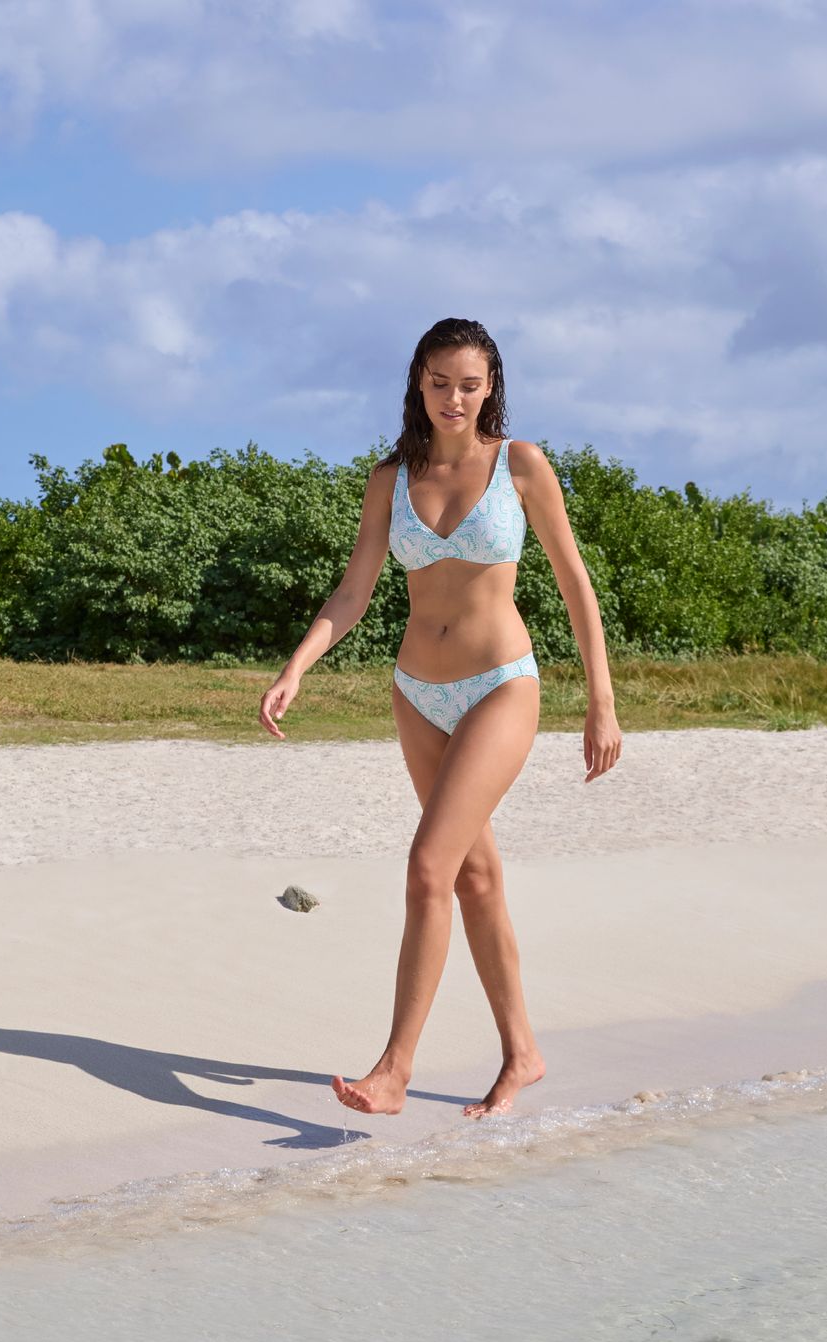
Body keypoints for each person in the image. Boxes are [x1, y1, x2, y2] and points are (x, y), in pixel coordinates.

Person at [258, 317, 622, 1119]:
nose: (453, 398)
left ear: (490, 387)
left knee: (429, 869)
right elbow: (354, 591)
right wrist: (298, 665)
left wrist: (600, 700)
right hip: (416, 693)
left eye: (469, 384)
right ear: (416, 384)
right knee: (475, 876)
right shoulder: (390, 478)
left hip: (501, 686)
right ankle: (523, 1053)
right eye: (438, 382)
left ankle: (395, 1069)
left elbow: (574, 584)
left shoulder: (520, 465)